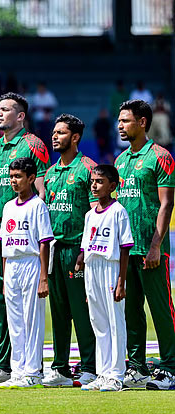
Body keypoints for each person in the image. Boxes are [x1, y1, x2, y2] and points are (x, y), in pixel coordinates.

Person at [0, 92, 50, 385]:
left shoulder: (33, 144)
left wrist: (34, 224)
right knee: (2, 302)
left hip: (25, 230)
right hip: (1, 228)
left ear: (20, 116)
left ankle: (29, 368)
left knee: (28, 308)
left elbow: (41, 189)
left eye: (5, 109)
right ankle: (6, 364)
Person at [115, 99, 175, 390]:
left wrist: (155, 246)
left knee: (161, 310)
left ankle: (171, 367)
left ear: (142, 122)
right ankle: (137, 367)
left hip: (152, 250)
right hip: (126, 250)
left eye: (125, 120)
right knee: (131, 312)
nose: (120, 125)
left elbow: (166, 204)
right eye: (119, 120)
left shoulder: (160, 156)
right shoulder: (119, 161)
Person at [42, 114, 97, 388]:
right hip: (54, 249)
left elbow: (97, 213)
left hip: (78, 249)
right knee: (59, 312)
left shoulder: (88, 168)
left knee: (82, 311)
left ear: (75, 137)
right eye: (54, 132)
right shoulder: (50, 173)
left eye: (61, 133)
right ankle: (60, 368)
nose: (55, 137)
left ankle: (90, 367)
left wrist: (86, 250)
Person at [0, 157, 53, 389]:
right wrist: (4, 276)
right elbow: (4, 243)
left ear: (31, 178)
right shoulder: (8, 207)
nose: (13, 181)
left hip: (31, 263)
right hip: (12, 265)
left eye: (18, 176)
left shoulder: (38, 206)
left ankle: (33, 371)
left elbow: (44, 242)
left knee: (32, 319)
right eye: (11, 176)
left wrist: (43, 277)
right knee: (15, 320)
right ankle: (18, 370)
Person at [76, 165, 133, 392]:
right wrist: (81, 262)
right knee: (98, 321)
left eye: (99, 181)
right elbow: (86, 246)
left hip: (110, 267)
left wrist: (121, 282)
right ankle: (103, 372)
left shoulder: (118, 211)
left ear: (112, 186)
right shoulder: (89, 215)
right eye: (93, 181)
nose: (94, 185)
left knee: (114, 322)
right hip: (92, 269)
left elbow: (125, 248)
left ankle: (116, 375)